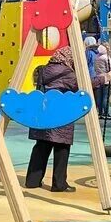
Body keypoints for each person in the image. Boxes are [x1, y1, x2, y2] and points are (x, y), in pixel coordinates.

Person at [25, 45, 78, 192]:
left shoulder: (44, 69)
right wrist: (103, 79)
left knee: (41, 146)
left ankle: (32, 180)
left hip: (43, 114)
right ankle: (59, 183)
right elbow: (80, 87)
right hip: (61, 115)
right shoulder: (68, 72)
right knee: (62, 147)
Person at [92, 43, 111, 125]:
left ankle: (100, 112)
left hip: (98, 77)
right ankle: (106, 113)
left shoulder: (96, 57)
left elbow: (94, 67)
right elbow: (109, 68)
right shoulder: (106, 58)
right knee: (106, 97)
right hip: (106, 78)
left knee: (100, 97)